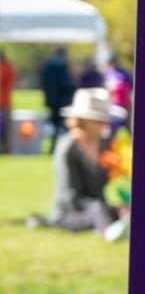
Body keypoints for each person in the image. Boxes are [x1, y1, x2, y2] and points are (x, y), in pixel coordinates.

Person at [43, 89, 122, 233]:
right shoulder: (68, 148)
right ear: (83, 121)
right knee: (98, 212)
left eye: (105, 120)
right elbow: (70, 196)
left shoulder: (105, 144)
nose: (104, 125)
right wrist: (97, 207)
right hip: (71, 212)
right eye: (98, 121)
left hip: (99, 207)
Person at [40, 47, 74, 154]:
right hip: (61, 101)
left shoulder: (47, 67)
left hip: (52, 101)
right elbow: (66, 85)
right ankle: (63, 148)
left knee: (55, 125)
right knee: (63, 125)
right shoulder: (60, 68)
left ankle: (54, 146)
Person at [0, 48, 15, 154]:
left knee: (6, 129)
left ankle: (6, 150)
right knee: (6, 129)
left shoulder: (6, 68)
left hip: (4, 103)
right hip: (6, 102)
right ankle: (6, 149)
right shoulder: (9, 67)